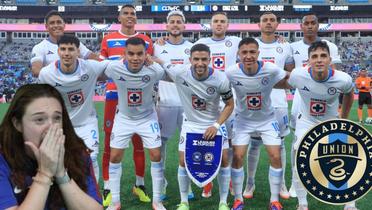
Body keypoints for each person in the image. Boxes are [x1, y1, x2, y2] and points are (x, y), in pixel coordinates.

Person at [154, 43, 234, 210]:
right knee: (183, 161)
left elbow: (229, 105)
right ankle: (184, 202)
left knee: (225, 160)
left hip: (214, 124)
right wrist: (149, 58)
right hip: (190, 124)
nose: (200, 63)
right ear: (190, 60)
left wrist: (216, 125)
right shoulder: (180, 72)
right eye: (196, 59)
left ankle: (223, 202)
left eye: (204, 59)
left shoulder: (220, 78)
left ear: (209, 60)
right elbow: (162, 63)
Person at [0, 83, 102, 210]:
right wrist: (44, 174)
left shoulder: (77, 153)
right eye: (39, 119)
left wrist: (61, 174)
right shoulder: (3, 160)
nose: (51, 127)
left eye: (57, 118)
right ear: (17, 124)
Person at [286, 41, 355, 210]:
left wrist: (343, 119)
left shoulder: (343, 78)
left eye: (323, 56)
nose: (319, 60)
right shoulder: (297, 75)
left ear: (330, 59)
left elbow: (349, 94)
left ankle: (350, 204)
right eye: (314, 56)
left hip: (330, 121)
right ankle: (302, 203)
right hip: (307, 121)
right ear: (308, 60)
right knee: (297, 154)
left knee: (345, 158)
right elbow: (280, 83)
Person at [226, 38, 289, 210]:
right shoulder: (231, 72)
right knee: (237, 156)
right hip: (242, 121)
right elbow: (218, 86)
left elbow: (288, 78)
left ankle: (274, 200)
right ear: (238, 54)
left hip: (267, 119)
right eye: (244, 52)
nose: (248, 56)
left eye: (252, 52)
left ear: (258, 53)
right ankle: (238, 200)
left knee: (275, 156)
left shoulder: (270, 68)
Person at [100, 5, 154, 204]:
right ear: (119, 17)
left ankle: (139, 185)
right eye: (126, 13)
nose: (130, 16)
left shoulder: (146, 40)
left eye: (133, 14)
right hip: (114, 96)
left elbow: (153, 64)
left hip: (140, 97)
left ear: (136, 18)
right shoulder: (108, 39)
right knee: (109, 143)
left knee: (139, 142)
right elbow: (101, 66)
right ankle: (107, 187)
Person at [37, 35, 109, 183]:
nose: (66, 53)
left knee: (92, 157)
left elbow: (114, 65)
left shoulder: (90, 67)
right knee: (59, 160)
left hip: (87, 122)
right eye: (63, 49)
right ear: (58, 51)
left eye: (71, 49)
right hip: (62, 125)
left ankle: (93, 193)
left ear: (78, 52)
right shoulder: (46, 74)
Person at [104, 37, 166, 210]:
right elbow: (95, 68)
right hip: (123, 118)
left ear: (146, 55)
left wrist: (155, 60)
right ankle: (115, 202)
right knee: (115, 156)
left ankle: (157, 201)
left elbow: (167, 69)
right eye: (131, 53)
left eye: (140, 54)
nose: (135, 58)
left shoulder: (154, 71)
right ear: (124, 54)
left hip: (147, 117)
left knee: (156, 155)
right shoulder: (114, 68)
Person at [289, 12, 342, 197]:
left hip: (326, 96)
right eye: (307, 23)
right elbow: (290, 74)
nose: (310, 26)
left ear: (318, 25)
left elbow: (337, 75)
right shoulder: (292, 46)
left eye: (313, 23)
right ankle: (295, 184)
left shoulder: (331, 46)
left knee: (329, 140)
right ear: (301, 26)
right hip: (300, 96)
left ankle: (325, 176)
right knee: (298, 140)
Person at [244, 12, 294, 200]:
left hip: (279, 102)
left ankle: (281, 183)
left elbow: (290, 74)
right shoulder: (251, 46)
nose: (268, 23)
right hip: (255, 101)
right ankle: (250, 182)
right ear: (259, 24)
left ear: (278, 24)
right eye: (265, 20)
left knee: (280, 144)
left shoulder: (285, 46)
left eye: (272, 20)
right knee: (254, 144)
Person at [194, 11, 241, 197]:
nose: (219, 24)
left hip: (229, 99)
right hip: (206, 100)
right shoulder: (201, 44)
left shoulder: (236, 41)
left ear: (227, 25)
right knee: (205, 140)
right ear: (210, 24)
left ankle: (227, 178)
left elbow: (257, 45)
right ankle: (207, 180)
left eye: (222, 21)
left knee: (229, 142)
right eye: (216, 21)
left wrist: (278, 38)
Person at [153, 10, 194, 200]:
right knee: (161, 145)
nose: (175, 25)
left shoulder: (193, 48)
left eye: (179, 22)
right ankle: (161, 184)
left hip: (187, 105)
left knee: (189, 145)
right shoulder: (156, 47)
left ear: (184, 26)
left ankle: (189, 185)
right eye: (172, 22)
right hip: (165, 104)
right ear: (166, 26)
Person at [31, 10, 99, 77]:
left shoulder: (74, 43)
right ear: (46, 27)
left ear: (64, 25)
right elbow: (36, 71)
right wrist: (62, 77)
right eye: (52, 23)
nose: (56, 25)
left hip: (73, 86)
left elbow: (95, 59)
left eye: (59, 22)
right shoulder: (40, 47)